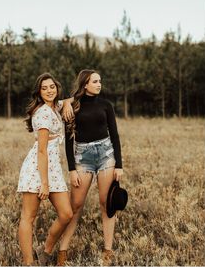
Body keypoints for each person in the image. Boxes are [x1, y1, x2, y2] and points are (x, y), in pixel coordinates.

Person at [57, 69, 123, 266]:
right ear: (85, 84)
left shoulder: (106, 105)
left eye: (100, 81)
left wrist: (119, 164)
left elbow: (115, 135)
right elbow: (69, 140)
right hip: (82, 158)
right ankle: (62, 251)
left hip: (106, 156)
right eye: (95, 81)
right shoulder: (72, 106)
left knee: (107, 204)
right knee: (75, 206)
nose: (99, 84)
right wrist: (71, 169)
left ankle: (108, 251)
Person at [17, 72, 74, 266]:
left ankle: (45, 250)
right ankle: (28, 262)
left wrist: (66, 103)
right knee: (28, 217)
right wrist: (44, 183)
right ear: (38, 92)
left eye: (52, 87)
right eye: (44, 88)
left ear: (57, 88)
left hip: (53, 168)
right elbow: (41, 151)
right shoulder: (42, 113)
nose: (49, 90)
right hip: (37, 169)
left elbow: (75, 97)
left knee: (66, 213)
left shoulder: (55, 107)